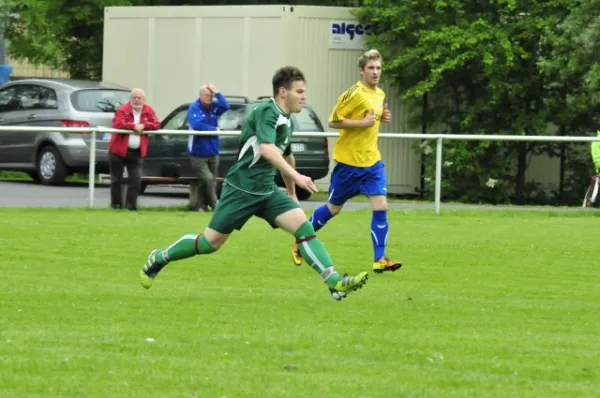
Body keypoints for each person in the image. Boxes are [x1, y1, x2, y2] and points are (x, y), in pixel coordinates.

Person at [139, 66, 369, 301]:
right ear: (283, 92)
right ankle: (160, 257)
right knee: (209, 243)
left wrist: (292, 194)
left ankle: (334, 282)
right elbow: (267, 149)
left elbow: (287, 155)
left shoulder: (286, 120)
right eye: (299, 91)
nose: (304, 96)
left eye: (304, 91)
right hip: (241, 189)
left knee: (304, 228)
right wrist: (298, 178)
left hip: (267, 190)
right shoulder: (266, 112)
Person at [292, 49, 402, 274]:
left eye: (378, 68)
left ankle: (379, 258)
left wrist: (383, 118)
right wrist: (362, 123)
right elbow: (334, 120)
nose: (375, 72)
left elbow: (373, 119)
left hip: (372, 161)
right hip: (349, 164)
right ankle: (300, 240)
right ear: (361, 71)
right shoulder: (354, 93)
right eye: (370, 68)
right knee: (333, 209)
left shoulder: (380, 95)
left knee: (381, 206)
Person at [109, 88, 161, 210]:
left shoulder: (148, 110)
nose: (136, 100)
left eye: (139, 98)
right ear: (131, 98)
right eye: (134, 97)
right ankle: (116, 205)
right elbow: (118, 123)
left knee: (136, 179)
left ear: (144, 99)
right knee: (116, 180)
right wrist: (133, 126)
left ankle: (130, 206)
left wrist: (144, 126)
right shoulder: (122, 110)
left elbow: (157, 124)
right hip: (118, 151)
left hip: (136, 152)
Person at [187, 84, 230, 211]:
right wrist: (215, 129)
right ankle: (215, 204)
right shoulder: (194, 107)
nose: (210, 97)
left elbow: (226, 106)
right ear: (200, 95)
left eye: (211, 95)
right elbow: (196, 125)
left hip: (213, 151)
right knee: (208, 178)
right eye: (207, 95)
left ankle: (200, 206)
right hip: (197, 152)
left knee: (208, 181)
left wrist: (217, 92)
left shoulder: (214, 107)